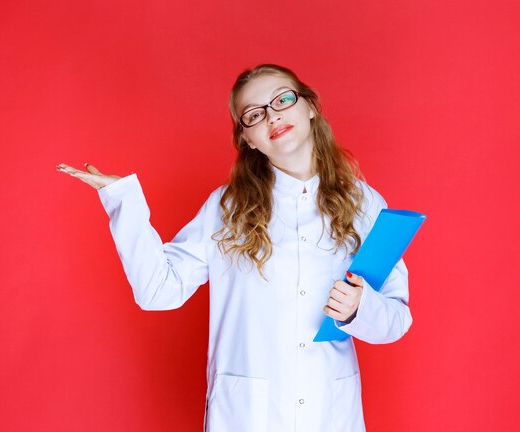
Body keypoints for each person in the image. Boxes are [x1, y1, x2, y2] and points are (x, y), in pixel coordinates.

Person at [56, 64, 412, 432]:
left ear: (309, 107)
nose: (272, 115)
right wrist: (123, 202)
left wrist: (359, 308)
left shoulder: (365, 204)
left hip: (330, 413)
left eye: (282, 100)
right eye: (254, 114)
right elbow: (158, 291)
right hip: (246, 416)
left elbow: (396, 320)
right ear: (248, 139)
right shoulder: (227, 208)